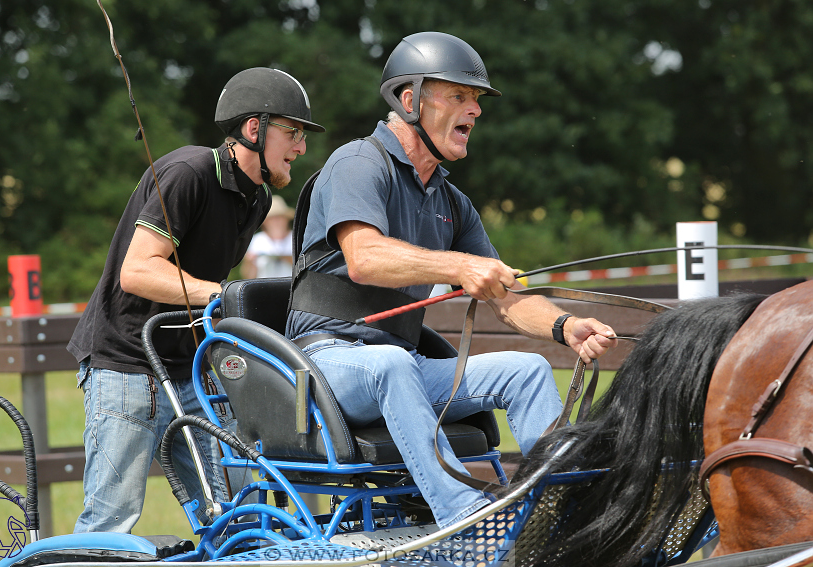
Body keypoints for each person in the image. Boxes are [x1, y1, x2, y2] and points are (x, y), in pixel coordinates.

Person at [285, 32, 617, 528]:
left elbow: (508, 297)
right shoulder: (356, 163)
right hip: (325, 363)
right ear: (409, 100)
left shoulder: (451, 201)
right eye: (459, 96)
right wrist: (459, 266)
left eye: (477, 100)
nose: (475, 111)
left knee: (524, 370)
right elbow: (364, 257)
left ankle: (566, 514)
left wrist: (564, 325)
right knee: (391, 362)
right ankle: (468, 518)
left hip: (403, 365)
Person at [67, 67, 324, 533]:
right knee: (110, 522)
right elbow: (138, 270)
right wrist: (225, 295)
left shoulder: (258, 199)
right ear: (254, 129)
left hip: (192, 369)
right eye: (293, 133)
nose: (301, 147)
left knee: (233, 518)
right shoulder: (189, 172)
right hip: (126, 362)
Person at [240, 195, 295, 279]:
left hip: (292, 288)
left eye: (279, 218)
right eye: (271, 218)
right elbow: (248, 277)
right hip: (264, 288)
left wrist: (282, 257)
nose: (275, 222)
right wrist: (249, 262)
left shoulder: (295, 239)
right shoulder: (257, 240)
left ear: (286, 219)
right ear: (265, 222)